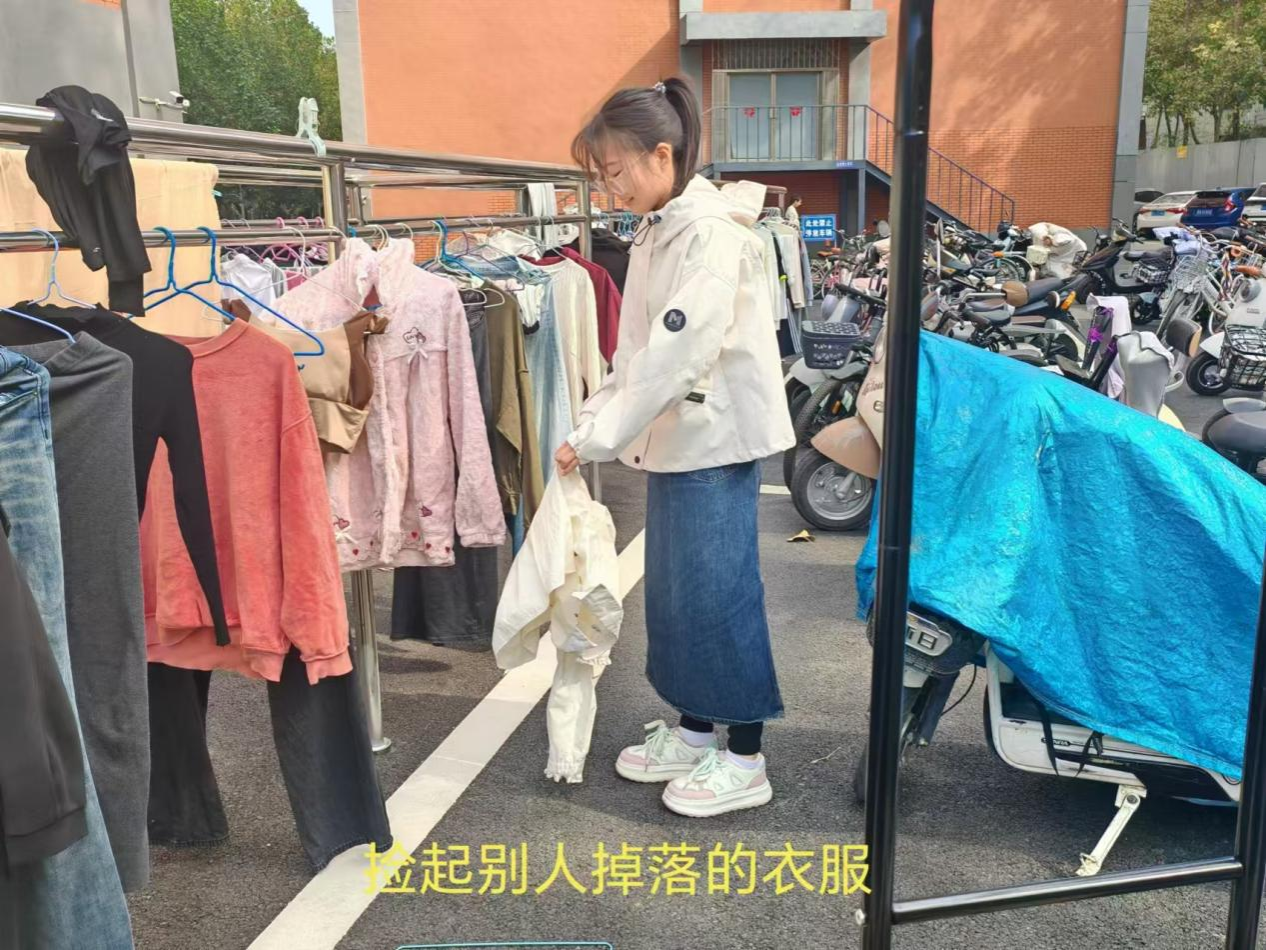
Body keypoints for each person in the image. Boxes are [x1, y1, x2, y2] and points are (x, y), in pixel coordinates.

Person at [559, 76, 794, 817]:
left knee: (718, 595)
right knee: (679, 595)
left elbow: (676, 354)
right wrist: (592, 422)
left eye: (616, 170)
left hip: (713, 439)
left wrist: (597, 434)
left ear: (662, 155)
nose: (611, 187)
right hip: (680, 437)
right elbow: (636, 352)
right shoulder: (661, 228)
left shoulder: (710, 234)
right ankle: (696, 733)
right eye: (604, 176)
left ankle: (746, 756)